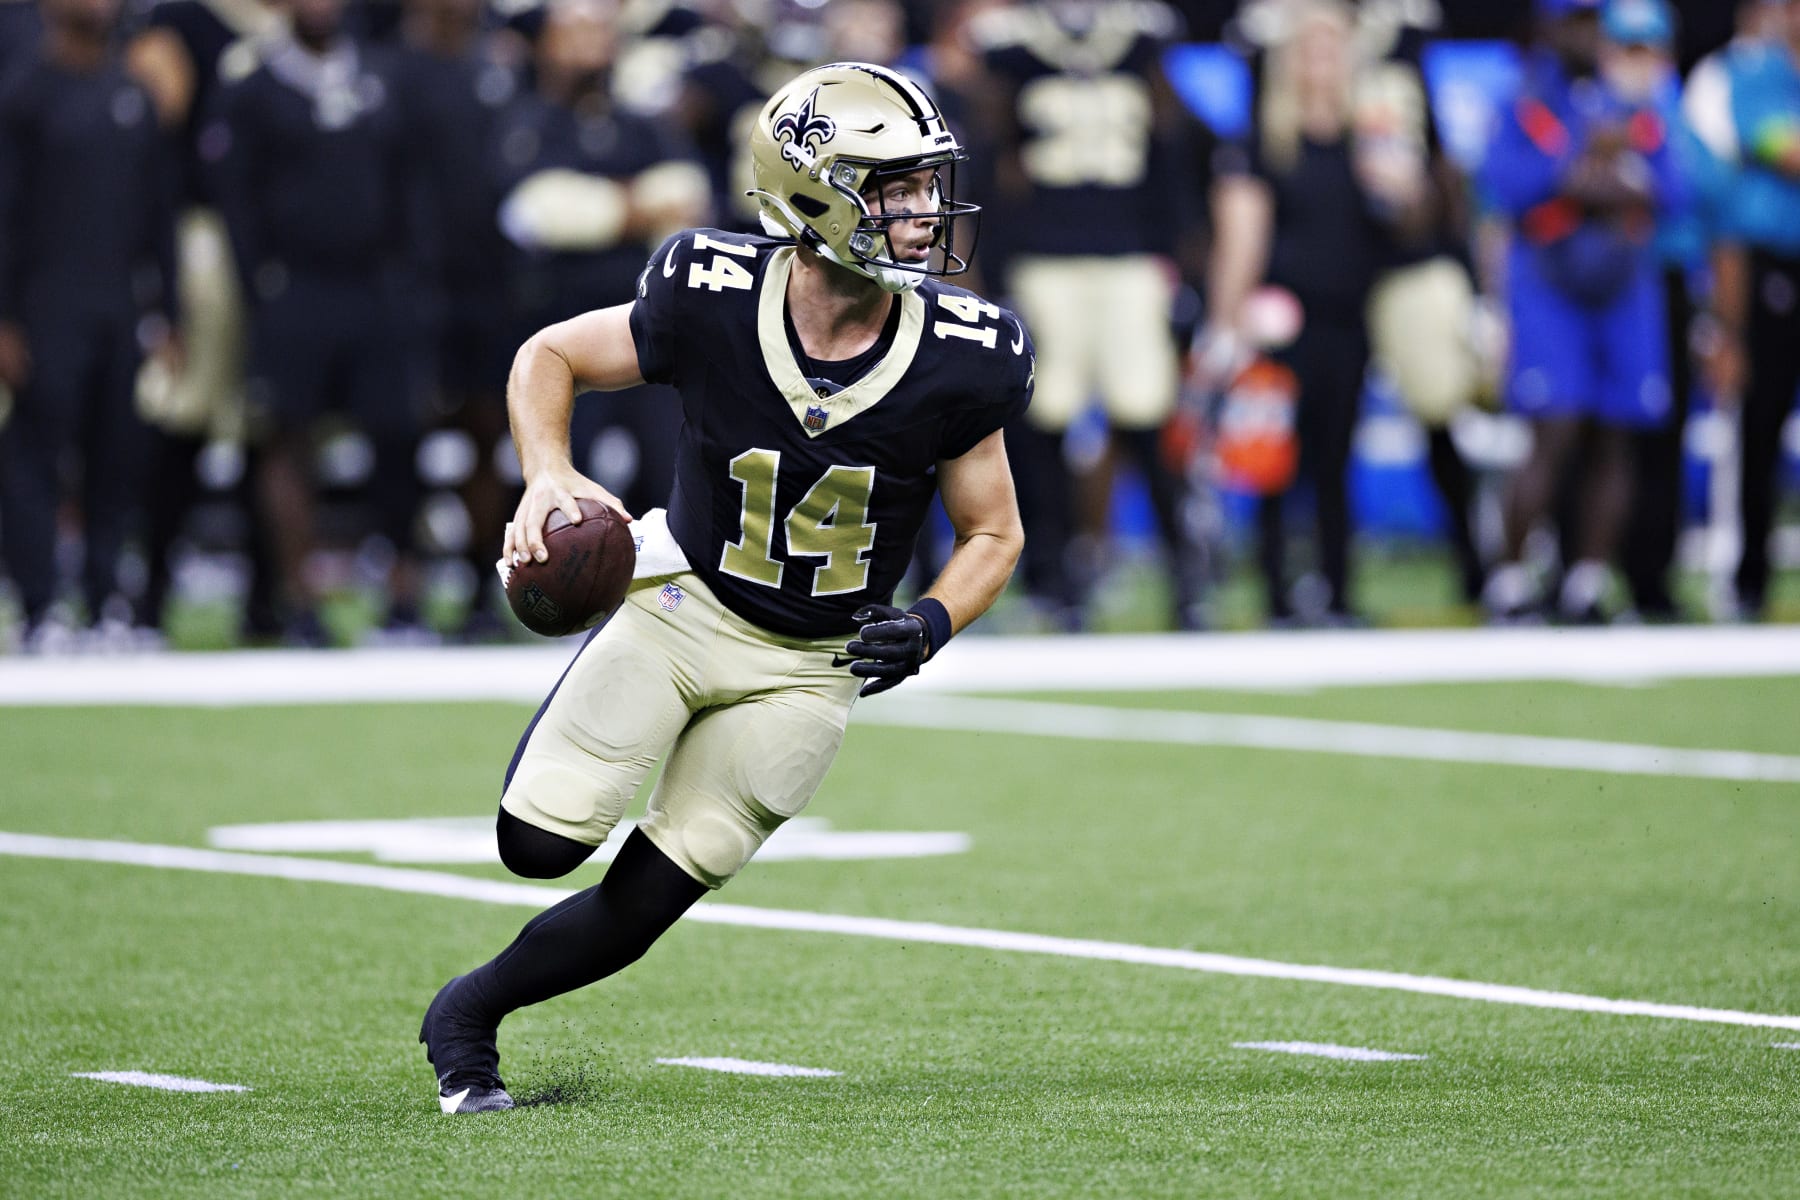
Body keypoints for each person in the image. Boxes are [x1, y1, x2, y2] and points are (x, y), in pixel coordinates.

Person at [419, 61, 1031, 1113]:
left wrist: (932, 621)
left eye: (928, 184)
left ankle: (467, 1017)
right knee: (536, 843)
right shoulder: (709, 290)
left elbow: (994, 531)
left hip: (811, 665)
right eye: (891, 186)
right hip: (681, 602)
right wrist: (552, 475)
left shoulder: (966, 353)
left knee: (654, 892)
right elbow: (548, 354)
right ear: (812, 192)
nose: (923, 212)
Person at [972, 0, 1204, 630]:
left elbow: (1174, 152)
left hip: (1129, 257)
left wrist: (1184, 257)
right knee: (1046, 419)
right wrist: (995, 266)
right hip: (1045, 259)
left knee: (1146, 413)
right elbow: (989, 159)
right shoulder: (1008, 48)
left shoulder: (1142, 40)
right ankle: (1056, 577)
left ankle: (1185, 575)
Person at [207, 0, 428, 645]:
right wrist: (260, 285)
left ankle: (404, 594)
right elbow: (234, 196)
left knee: (397, 434)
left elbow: (411, 185)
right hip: (296, 285)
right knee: (288, 437)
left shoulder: (384, 78)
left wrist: (409, 275)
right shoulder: (254, 87)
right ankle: (299, 600)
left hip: (376, 285)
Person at [1477, 0, 1686, 623]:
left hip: (1623, 277)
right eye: (1576, 21)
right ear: (1549, 28)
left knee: (1614, 433)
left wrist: (1606, 178)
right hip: (1550, 277)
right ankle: (1512, 581)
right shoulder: (1529, 99)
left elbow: (1676, 190)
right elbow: (1508, 185)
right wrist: (1583, 172)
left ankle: (1587, 582)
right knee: (1555, 427)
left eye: (1596, 21)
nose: (1588, 35)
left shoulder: (1633, 99)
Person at [0, 0, 180, 651]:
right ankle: (41, 603)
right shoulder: (24, 94)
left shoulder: (132, 93)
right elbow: (6, 214)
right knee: (35, 457)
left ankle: (109, 601)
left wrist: (170, 312)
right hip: (46, 304)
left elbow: (158, 214)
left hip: (120, 304)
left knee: (117, 459)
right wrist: (5, 320)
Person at [1684, 0, 1800, 619]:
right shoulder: (1755, 76)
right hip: (1772, 265)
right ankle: (1747, 578)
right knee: (1759, 420)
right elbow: (1783, 150)